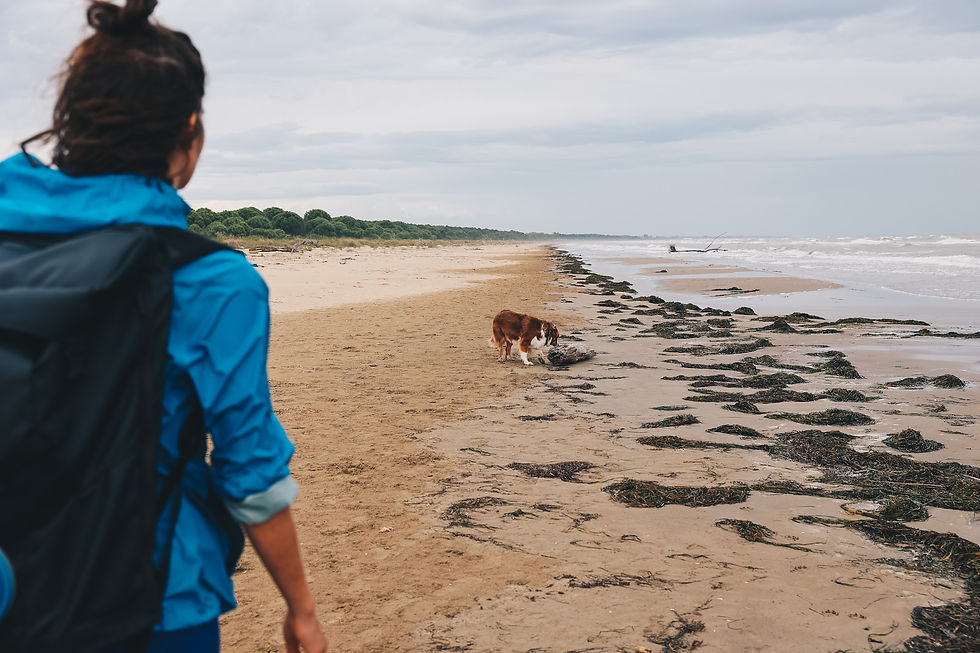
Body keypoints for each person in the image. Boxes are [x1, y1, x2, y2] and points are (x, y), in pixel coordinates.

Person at [0, 1, 328, 651]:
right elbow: (251, 469)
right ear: (190, 129)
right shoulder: (211, 279)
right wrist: (301, 608)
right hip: (154, 596)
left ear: (70, 124)